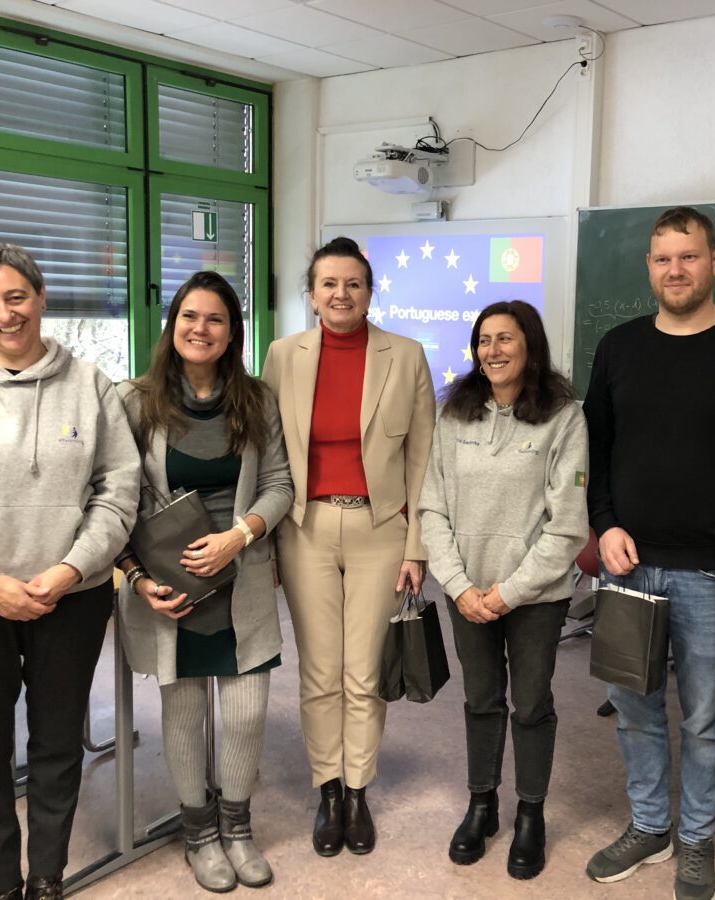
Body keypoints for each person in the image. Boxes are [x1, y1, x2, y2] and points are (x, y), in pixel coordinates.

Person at [583, 207, 715, 900]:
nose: (675, 270)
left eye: (689, 256)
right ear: (649, 267)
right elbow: (596, 447)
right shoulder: (618, 347)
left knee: (706, 720)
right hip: (627, 564)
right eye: (663, 259)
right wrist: (604, 524)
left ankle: (696, 837)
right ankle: (651, 827)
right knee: (634, 707)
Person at [0, 242, 140, 900]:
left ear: (41, 297)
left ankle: (46, 874)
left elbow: (118, 492)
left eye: (16, 297)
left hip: (68, 596)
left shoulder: (91, 385)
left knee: (56, 743)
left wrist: (71, 570)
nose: (4, 314)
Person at [115, 271, 292, 891]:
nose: (201, 329)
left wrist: (238, 536)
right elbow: (116, 499)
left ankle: (238, 829)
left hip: (241, 578)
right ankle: (198, 834)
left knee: (245, 715)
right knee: (185, 713)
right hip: (171, 589)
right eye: (190, 316)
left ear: (233, 332)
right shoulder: (134, 401)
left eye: (215, 318)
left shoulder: (257, 400)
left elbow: (279, 484)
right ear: (172, 326)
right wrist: (138, 578)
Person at [261, 236, 435, 857]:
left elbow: (423, 459)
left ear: (370, 292)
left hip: (379, 530)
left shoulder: (405, 356)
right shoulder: (282, 356)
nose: (341, 294)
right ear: (311, 296)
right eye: (329, 284)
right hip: (303, 529)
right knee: (318, 671)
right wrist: (267, 544)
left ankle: (358, 790)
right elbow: (269, 453)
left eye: (353, 283)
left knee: (363, 672)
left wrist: (417, 546)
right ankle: (328, 790)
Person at [418, 300, 588, 880]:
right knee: (481, 700)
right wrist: (458, 585)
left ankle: (531, 813)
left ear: (529, 344)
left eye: (505, 339)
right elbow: (432, 506)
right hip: (466, 593)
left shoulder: (564, 418)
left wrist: (507, 593)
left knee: (532, 703)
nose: (492, 350)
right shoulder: (454, 414)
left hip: (535, 596)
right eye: (484, 340)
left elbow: (568, 525)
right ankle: (482, 804)